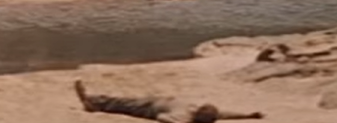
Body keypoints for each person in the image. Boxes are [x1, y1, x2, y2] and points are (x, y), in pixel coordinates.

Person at [74, 80, 264, 123]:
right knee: (123, 101)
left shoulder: (184, 116)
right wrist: (250, 115)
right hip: (158, 100)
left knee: (123, 103)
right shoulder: (211, 113)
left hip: (150, 108)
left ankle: (91, 103)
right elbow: (229, 114)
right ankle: (93, 101)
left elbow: (163, 118)